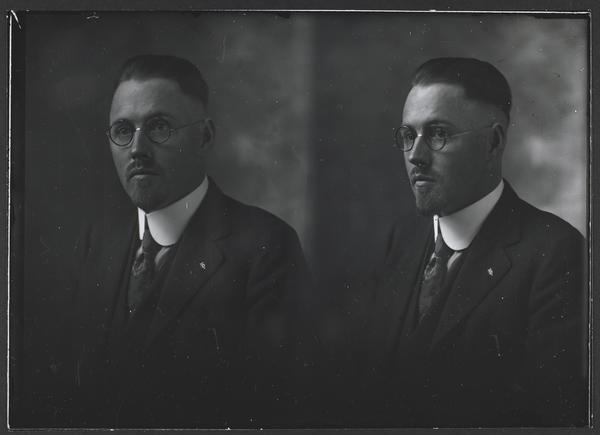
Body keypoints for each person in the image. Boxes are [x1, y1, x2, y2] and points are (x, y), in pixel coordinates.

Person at [63, 54, 310, 428]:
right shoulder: (96, 245)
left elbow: (277, 410)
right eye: (123, 130)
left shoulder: (266, 246)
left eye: (159, 127)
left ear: (205, 136)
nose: (137, 149)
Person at [362, 57, 587, 427]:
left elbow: (553, 417)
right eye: (408, 136)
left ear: (493, 142)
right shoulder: (400, 240)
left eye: (438, 134)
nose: (415, 156)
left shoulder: (555, 253)